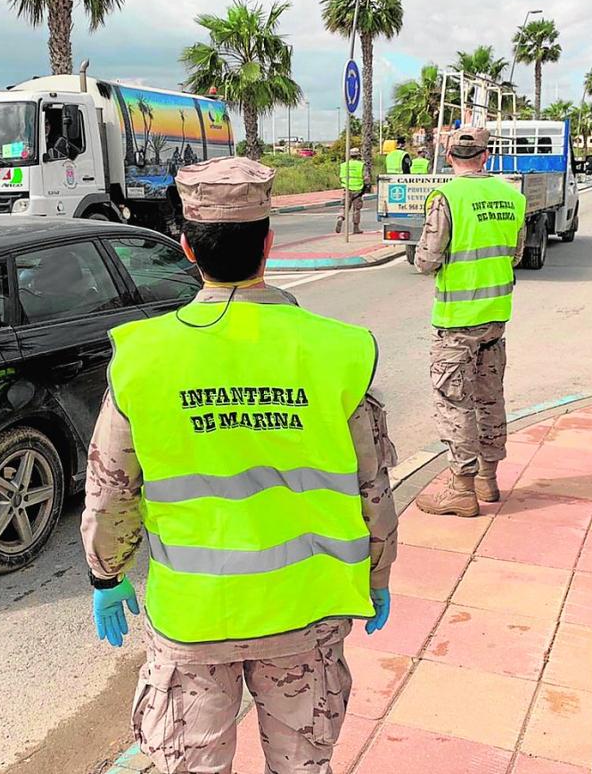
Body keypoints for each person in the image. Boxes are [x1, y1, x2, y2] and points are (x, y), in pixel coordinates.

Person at [81, 156, 399, 774]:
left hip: (193, 618)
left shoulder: (143, 359)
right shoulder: (338, 350)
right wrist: (378, 574)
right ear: (269, 244)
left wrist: (106, 574)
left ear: (186, 249)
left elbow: (110, 490)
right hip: (306, 612)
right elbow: (371, 490)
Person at [413, 128, 526, 517]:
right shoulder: (512, 197)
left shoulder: (447, 197)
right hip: (495, 318)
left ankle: (461, 489)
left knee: (454, 402)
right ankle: (488, 481)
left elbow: (426, 260)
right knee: (489, 397)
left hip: (456, 321)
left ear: (449, 156)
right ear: (486, 155)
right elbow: (515, 254)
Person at [336, 147, 368, 235]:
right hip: (358, 190)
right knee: (356, 209)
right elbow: (366, 178)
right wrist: (366, 188)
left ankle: (340, 217)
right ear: (358, 156)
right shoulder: (361, 165)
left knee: (344, 206)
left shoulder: (343, 165)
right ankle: (356, 228)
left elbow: (340, 177)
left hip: (347, 189)